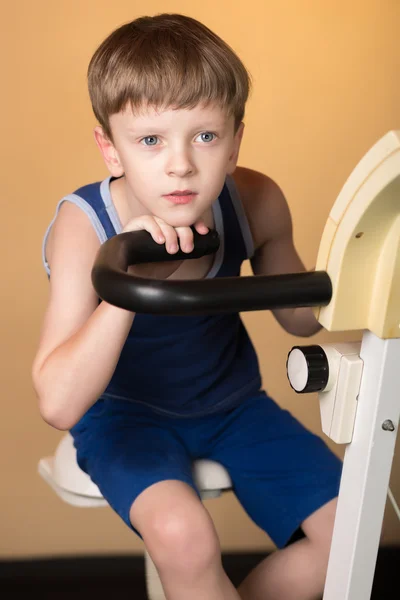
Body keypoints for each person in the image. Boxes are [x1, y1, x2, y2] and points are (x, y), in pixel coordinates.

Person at [32, 13, 342, 600]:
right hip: (125, 419)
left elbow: (301, 317)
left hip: (233, 406)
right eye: (150, 140)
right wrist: (128, 279)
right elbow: (59, 401)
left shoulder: (256, 200)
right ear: (111, 149)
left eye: (205, 136)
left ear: (234, 142)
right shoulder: (83, 226)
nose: (181, 164)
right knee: (184, 538)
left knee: (349, 530)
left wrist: (361, 269)